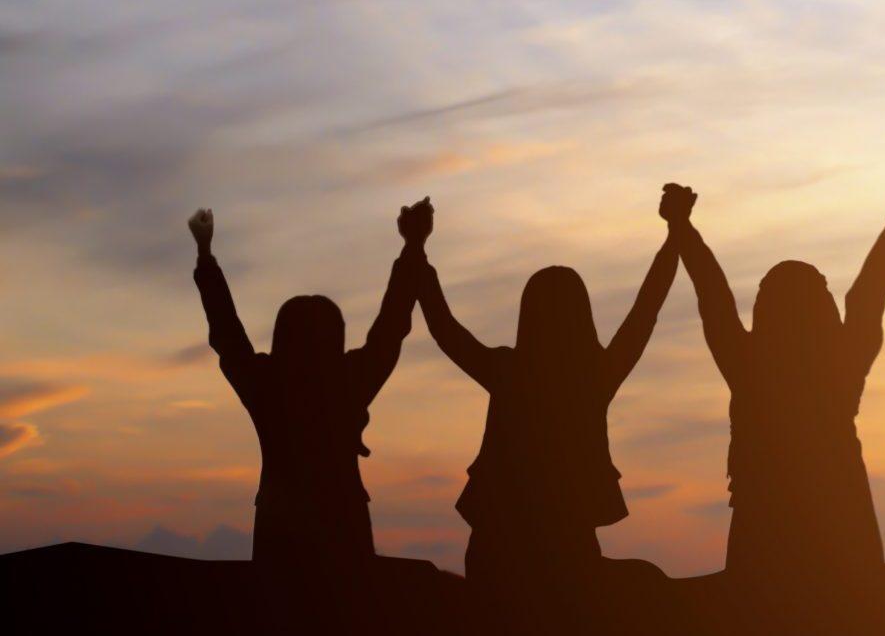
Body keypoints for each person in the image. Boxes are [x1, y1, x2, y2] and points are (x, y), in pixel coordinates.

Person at [411, 187, 683, 583]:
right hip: (565, 544)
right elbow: (646, 311)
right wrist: (676, 235)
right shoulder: (596, 375)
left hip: (498, 544)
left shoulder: (507, 370)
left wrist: (416, 250)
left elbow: (444, 328)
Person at [666, 168, 885, 584]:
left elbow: (712, 293)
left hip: (765, 528)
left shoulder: (748, 365)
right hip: (841, 522)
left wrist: (682, 228)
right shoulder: (842, 363)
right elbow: (871, 290)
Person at [187, 200, 428, 567]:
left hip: (279, 525)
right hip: (342, 525)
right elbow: (391, 328)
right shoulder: (349, 381)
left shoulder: (266, 385)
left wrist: (205, 255)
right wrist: (413, 246)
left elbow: (227, 333)